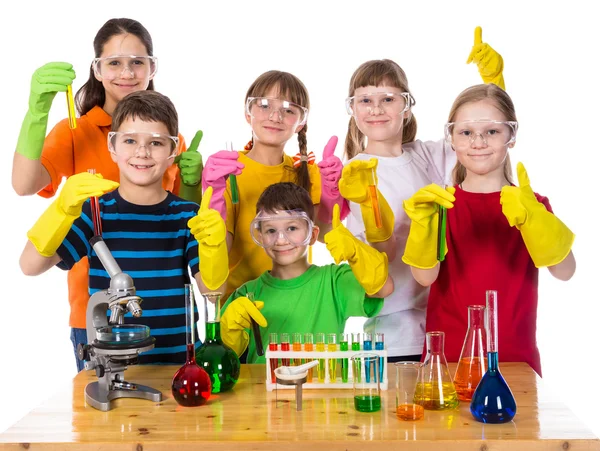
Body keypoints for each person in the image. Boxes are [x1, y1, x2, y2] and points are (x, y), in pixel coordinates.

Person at [12, 18, 204, 370]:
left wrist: (195, 187)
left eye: (137, 62)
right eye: (114, 62)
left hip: (171, 324)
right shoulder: (76, 131)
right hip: (98, 314)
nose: (126, 72)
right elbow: (24, 186)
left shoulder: (168, 132)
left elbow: (182, 220)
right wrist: (37, 112)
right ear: (96, 69)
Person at [325, 27, 507, 362]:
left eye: (388, 99)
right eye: (365, 100)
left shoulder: (426, 155)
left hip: (446, 321)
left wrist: (494, 85)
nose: (376, 108)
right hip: (391, 334)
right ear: (353, 110)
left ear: (406, 107)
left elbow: (482, 145)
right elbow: (376, 255)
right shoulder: (352, 174)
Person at [19, 90, 224, 365]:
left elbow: (214, 292)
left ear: (174, 151)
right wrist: (60, 210)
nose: (142, 152)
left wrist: (214, 246)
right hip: (112, 366)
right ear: (112, 146)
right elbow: (30, 265)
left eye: (156, 142)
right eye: (130, 140)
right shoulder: (94, 213)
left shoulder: (187, 215)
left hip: (179, 365)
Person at [402, 83, 576, 375]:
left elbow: (565, 271)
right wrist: (423, 225)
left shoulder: (532, 205)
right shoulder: (438, 205)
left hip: (516, 362)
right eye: (466, 132)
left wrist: (534, 218)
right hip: (448, 361)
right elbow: (424, 277)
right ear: (452, 139)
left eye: (492, 131)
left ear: (512, 136)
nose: (478, 141)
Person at [218, 182, 394, 363]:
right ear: (260, 236)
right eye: (271, 230)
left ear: (313, 234)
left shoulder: (335, 281)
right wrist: (228, 331)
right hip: (266, 390)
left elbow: (384, 289)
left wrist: (357, 252)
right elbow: (223, 358)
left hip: (325, 390)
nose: (281, 240)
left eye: (292, 228)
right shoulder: (246, 295)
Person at [201, 70, 324, 303]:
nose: (275, 116)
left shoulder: (307, 172)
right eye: (265, 105)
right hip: (240, 305)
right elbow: (218, 256)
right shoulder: (227, 172)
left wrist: (336, 193)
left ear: (301, 122)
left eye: (289, 110)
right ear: (248, 113)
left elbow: (323, 234)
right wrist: (213, 196)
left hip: (297, 301)